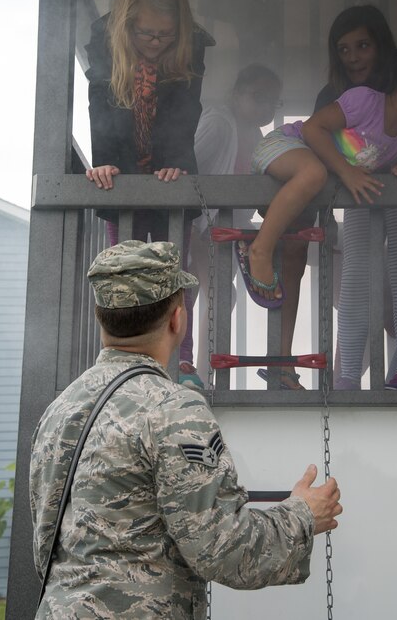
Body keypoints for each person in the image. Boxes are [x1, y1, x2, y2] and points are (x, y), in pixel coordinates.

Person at [30, 240, 342, 619]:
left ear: (101, 318)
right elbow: (223, 550)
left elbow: (47, 542)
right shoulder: (173, 409)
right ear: (178, 318)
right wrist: (303, 515)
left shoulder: (60, 410)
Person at [241, 46, 397, 391]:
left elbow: (376, 162)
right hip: (282, 146)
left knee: (313, 176)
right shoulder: (365, 101)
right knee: (313, 174)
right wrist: (345, 172)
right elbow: (314, 129)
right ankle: (260, 250)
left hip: (307, 168)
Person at [84, 0, 214, 380]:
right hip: (123, 171)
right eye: (146, 34)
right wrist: (104, 159)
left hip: (169, 171)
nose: (157, 42)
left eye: (166, 35)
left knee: (174, 272)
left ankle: (184, 358)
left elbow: (187, 108)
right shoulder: (104, 41)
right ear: (125, 25)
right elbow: (99, 103)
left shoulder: (192, 43)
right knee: (127, 269)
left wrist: (174, 158)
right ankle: (125, 361)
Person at [190, 64, 282, 380]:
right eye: (259, 97)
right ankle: (194, 372)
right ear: (236, 94)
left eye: (273, 100)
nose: (266, 106)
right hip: (200, 226)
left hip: (226, 231)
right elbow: (190, 166)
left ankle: (202, 371)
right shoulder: (219, 123)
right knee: (207, 293)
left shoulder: (256, 135)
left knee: (215, 294)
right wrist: (194, 225)